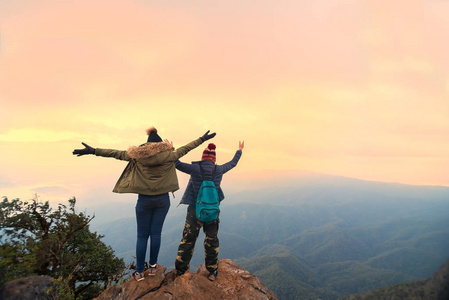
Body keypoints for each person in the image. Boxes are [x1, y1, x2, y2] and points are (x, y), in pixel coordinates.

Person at [72, 127, 216, 281]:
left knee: (142, 236)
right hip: (162, 200)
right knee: (156, 234)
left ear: (145, 145)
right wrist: (202, 139)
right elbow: (187, 148)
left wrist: (92, 150)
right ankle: (153, 267)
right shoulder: (169, 155)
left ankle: (139, 272)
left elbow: (113, 153)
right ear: (161, 144)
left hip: (144, 201)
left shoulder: (137, 156)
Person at [173, 140, 244, 281]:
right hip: (212, 211)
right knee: (211, 240)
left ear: (202, 157)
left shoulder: (194, 169)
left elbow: (176, 163)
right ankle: (212, 271)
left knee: (188, 240)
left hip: (194, 210)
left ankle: (181, 270)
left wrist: (172, 149)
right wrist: (239, 151)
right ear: (214, 159)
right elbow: (233, 163)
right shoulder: (219, 169)